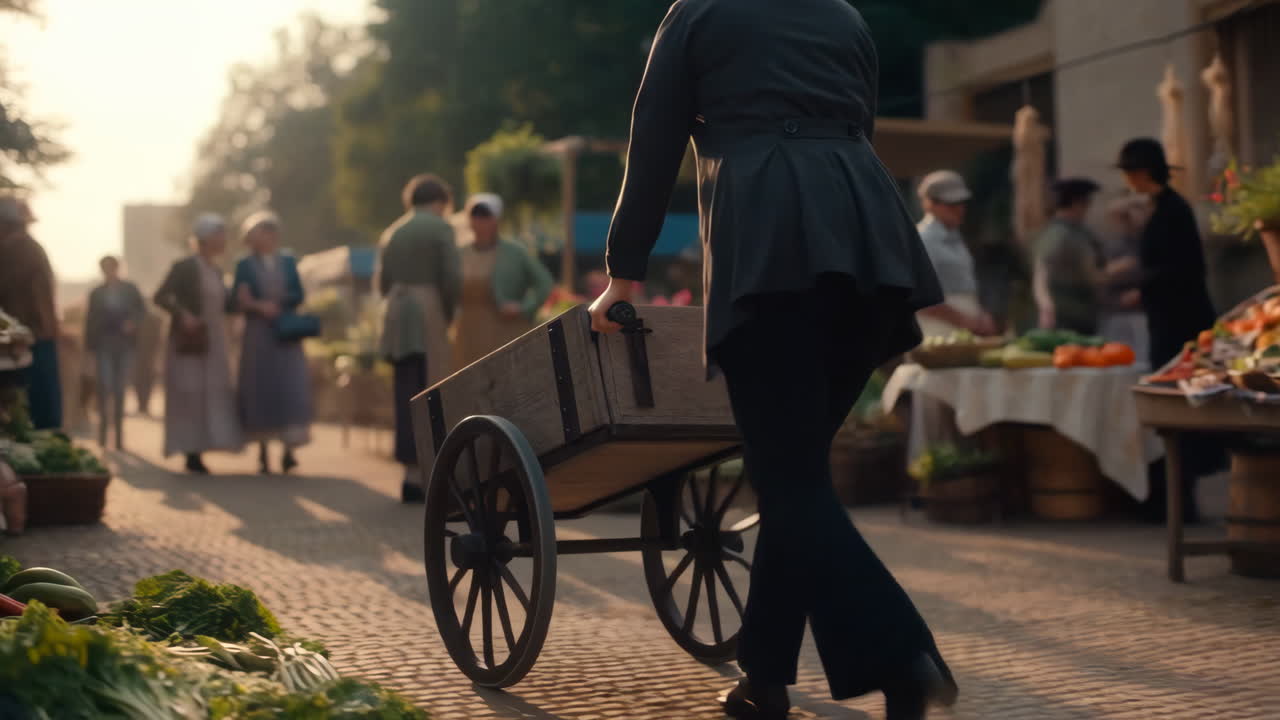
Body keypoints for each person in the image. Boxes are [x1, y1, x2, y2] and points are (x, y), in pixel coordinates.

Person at [588, 2, 955, 718]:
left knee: (786, 477)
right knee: (797, 475)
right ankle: (765, 675)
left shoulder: (698, 13)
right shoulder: (844, 15)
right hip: (870, 239)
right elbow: (862, 125)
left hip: (770, 242)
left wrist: (621, 278)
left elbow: (655, 140)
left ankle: (902, 653)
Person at [1117, 138, 1222, 522]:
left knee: (1177, 408)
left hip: (1181, 325)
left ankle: (1181, 502)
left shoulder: (1171, 212)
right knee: (1175, 408)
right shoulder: (1165, 209)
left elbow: (1180, 271)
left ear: (1141, 174)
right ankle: (1177, 500)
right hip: (1172, 321)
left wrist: (1142, 289)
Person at [376, 175, 461, 503]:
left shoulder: (393, 231)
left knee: (404, 391)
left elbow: (383, 281)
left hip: (397, 312)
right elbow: (451, 277)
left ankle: (409, 473)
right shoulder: (441, 228)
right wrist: (448, 312)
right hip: (427, 309)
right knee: (432, 388)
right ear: (440, 201)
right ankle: (431, 472)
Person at [154, 214, 243, 474]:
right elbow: (161, 296)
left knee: (210, 393)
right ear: (204, 238)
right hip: (190, 342)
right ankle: (190, 449)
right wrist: (183, 315)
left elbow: (226, 305)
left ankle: (205, 445)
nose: (223, 240)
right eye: (218, 235)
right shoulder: (184, 267)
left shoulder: (216, 271)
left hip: (214, 340)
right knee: (190, 393)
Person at [232, 211, 313, 474]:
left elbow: (298, 293)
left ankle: (289, 449)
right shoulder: (244, 265)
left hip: (285, 331)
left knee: (290, 386)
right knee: (260, 387)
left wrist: (279, 304)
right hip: (257, 334)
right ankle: (263, 449)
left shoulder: (289, 261)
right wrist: (256, 305)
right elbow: (237, 299)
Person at [452, 193, 554, 367]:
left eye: (485, 216)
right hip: (467, 332)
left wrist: (524, 307)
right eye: (475, 216)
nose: (479, 221)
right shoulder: (459, 253)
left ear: (496, 220)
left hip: (504, 329)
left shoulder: (515, 252)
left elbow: (544, 283)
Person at [0, 196, 61, 430]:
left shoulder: (18, 251)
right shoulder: (28, 249)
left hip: (26, 338)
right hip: (29, 335)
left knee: (29, 405)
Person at [915, 170, 996, 338]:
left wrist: (981, 315)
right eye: (951, 204)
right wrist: (965, 321)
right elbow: (920, 296)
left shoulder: (955, 237)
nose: (959, 209)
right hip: (936, 332)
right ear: (930, 204)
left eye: (961, 202)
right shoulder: (924, 239)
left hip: (963, 330)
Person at [84, 255, 146, 449]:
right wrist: (89, 347)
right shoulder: (97, 293)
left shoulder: (129, 289)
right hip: (104, 343)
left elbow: (142, 311)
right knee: (105, 386)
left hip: (124, 343)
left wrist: (133, 323)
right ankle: (103, 432)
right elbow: (90, 320)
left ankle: (118, 435)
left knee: (120, 388)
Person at [1032, 178, 1104, 334]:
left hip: (1083, 315)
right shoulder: (1058, 235)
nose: (1087, 208)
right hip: (1064, 318)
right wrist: (1046, 307)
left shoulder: (1079, 231)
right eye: (1086, 203)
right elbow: (1041, 272)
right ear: (1076, 203)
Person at [1098, 195, 1151, 359]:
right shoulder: (1110, 245)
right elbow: (1097, 278)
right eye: (1121, 217)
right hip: (1115, 312)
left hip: (1142, 313)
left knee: (1143, 360)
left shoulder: (1147, 241)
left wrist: (1142, 292)